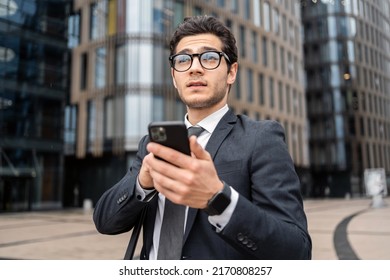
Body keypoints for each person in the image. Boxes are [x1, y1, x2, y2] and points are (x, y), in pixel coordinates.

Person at [93, 15, 312, 260]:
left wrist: (218, 198)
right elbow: (105, 222)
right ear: (175, 77)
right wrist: (142, 184)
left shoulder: (261, 139)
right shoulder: (153, 145)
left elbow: (297, 251)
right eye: (183, 60)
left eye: (209, 57)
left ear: (231, 72)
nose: (194, 68)